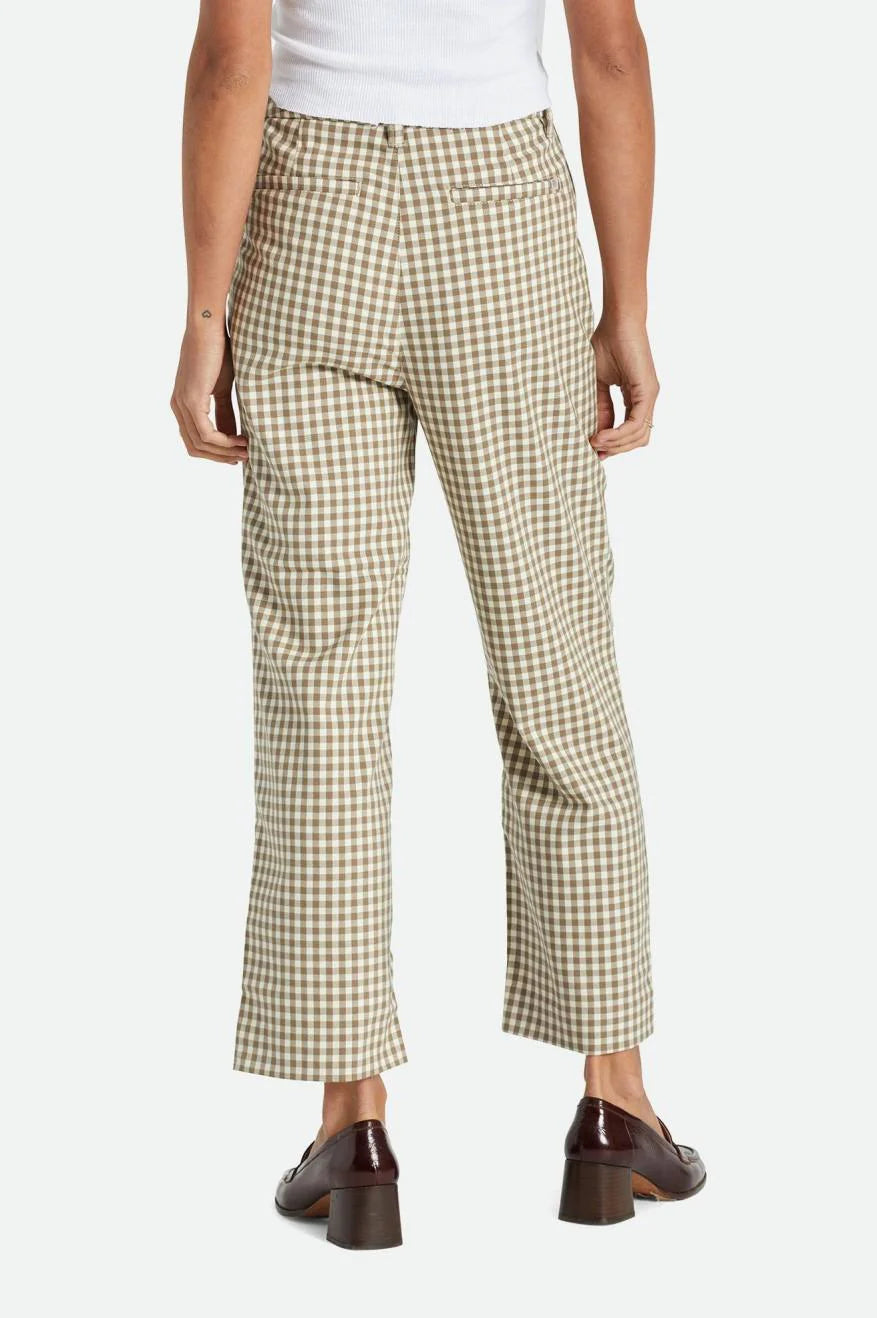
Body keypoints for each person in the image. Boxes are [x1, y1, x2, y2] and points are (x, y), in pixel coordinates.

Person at [171, 0, 705, 1247]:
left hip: (306, 213)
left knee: (322, 690)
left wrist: (203, 320)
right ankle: (615, 1104)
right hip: (502, 213)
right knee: (558, 666)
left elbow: (234, 59)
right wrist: (627, 304)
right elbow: (609, 50)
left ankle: (351, 1128)